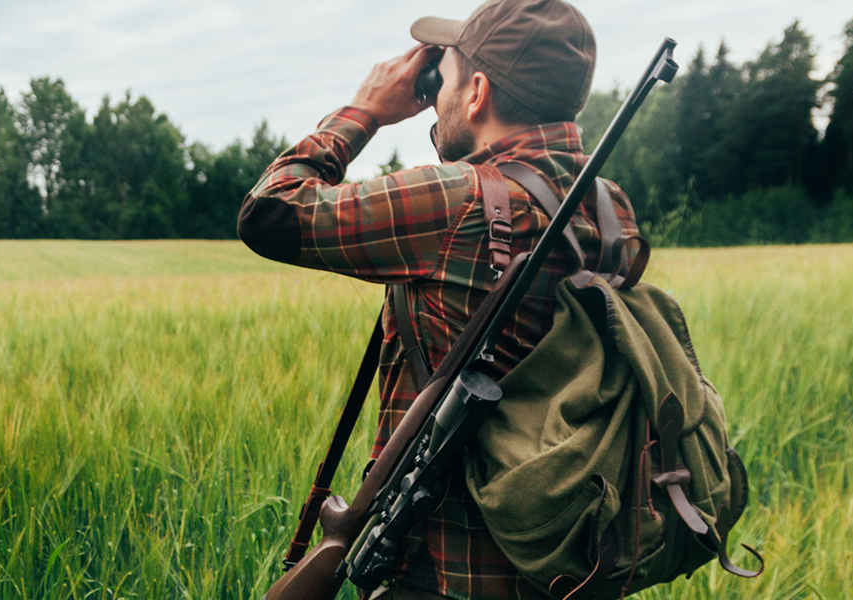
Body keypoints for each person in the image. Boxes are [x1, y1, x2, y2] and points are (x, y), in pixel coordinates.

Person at [236, 0, 641, 598]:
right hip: (566, 563)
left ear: (476, 93)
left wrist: (365, 110)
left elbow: (269, 211)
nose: (435, 94)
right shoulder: (612, 210)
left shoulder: (454, 201)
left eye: (443, 78)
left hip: (442, 572)